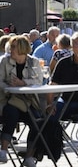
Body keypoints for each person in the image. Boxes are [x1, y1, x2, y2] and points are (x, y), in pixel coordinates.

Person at [0, 35, 44, 166]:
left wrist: (23, 82)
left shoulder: (34, 62)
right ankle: (3, 151)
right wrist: (9, 87)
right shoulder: (4, 61)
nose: (10, 49)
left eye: (13, 47)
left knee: (38, 122)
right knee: (11, 112)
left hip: (29, 100)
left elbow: (39, 81)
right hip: (9, 99)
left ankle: (29, 156)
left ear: (22, 48)